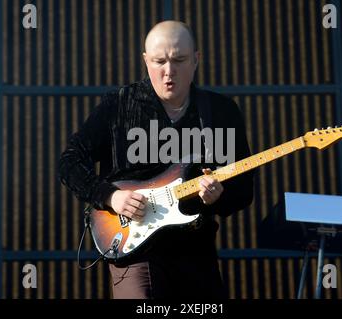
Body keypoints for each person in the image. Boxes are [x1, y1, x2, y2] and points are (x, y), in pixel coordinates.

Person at [58, 20, 254, 299]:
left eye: (179, 60)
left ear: (196, 60)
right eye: (159, 61)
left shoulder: (221, 112)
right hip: (135, 252)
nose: (168, 71)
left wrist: (218, 197)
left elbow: (244, 190)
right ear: (145, 60)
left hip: (196, 253)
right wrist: (111, 197)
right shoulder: (119, 106)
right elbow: (69, 162)